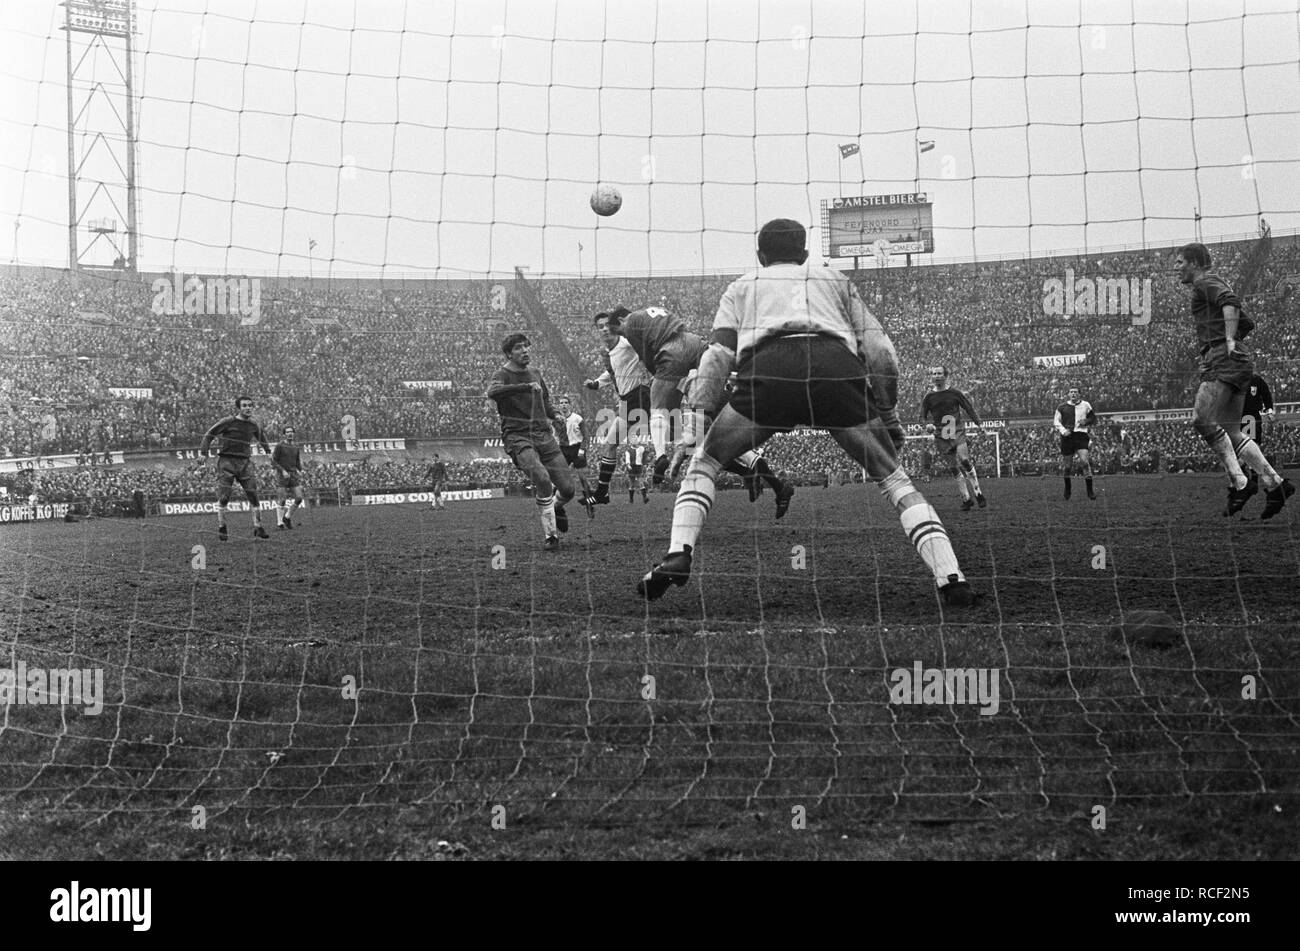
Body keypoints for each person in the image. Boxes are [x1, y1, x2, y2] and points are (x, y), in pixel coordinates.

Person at [638, 218, 978, 608]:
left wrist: (694, 424)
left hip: (770, 373)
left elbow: (718, 356)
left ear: (761, 256)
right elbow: (882, 352)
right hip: (835, 371)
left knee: (706, 462)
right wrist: (887, 413)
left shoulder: (742, 286)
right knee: (895, 479)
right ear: (804, 254)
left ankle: (679, 551)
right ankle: (952, 577)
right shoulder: (833, 280)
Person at [603, 307, 795, 515]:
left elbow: (649, 359)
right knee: (718, 440)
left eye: (618, 330)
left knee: (695, 438)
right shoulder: (656, 317)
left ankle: (661, 456)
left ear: (621, 319)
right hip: (696, 345)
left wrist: (656, 374)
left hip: (676, 359)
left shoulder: (632, 323)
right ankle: (774, 485)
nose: (622, 334)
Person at [1174, 242, 1292, 518]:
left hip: (1221, 359)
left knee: (1201, 420)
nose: (1175, 267)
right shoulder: (1208, 286)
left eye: (1180, 262)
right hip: (1236, 361)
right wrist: (1235, 341)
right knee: (1232, 429)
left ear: (1195, 262)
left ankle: (1240, 483)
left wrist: (1227, 340)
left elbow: (1230, 303)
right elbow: (1246, 322)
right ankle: (1275, 483)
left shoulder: (1205, 283)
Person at [486, 334, 590, 550]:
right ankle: (551, 536)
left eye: (526, 346)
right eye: (518, 348)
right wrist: (523, 387)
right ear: (508, 354)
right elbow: (492, 392)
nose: (524, 351)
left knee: (568, 489)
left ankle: (555, 507)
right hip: (518, 436)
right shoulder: (502, 374)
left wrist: (555, 415)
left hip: (544, 434)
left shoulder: (535, 373)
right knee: (542, 479)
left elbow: (544, 400)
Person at [585, 308, 654, 503]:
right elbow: (614, 372)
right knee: (608, 446)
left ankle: (601, 494)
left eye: (607, 325)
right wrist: (597, 383)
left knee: (609, 445)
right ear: (597, 331)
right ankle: (602, 493)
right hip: (627, 401)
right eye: (600, 327)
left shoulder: (627, 343)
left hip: (638, 396)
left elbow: (644, 346)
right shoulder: (607, 351)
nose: (605, 329)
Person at [199, 395, 272, 540]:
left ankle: (258, 527)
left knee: (253, 495)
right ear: (238, 408)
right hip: (227, 461)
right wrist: (203, 452)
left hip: (245, 462)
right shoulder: (228, 421)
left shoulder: (254, 424)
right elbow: (208, 435)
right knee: (225, 496)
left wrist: (268, 452)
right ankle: (222, 527)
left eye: (250, 405)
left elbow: (261, 437)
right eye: (244, 405)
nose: (248, 408)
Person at [920, 366, 987, 510]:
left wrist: (979, 424)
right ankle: (966, 499)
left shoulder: (955, 393)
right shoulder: (928, 397)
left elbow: (969, 408)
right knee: (953, 468)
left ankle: (978, 494)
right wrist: (926, 426)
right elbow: (922, 417)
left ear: (945, 376)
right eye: (934, 373)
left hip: (957, 431)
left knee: (965, 460)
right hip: (941, 435)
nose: (936, 376)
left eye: (939, 373)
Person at [1053, 387, 1097, 500]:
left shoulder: (1086, 405)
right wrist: (1063, 431)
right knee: (1068, 466)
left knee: (1084, 461)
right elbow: (1056, 421)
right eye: (1071, 392)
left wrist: (1086, 421)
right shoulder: (1062, 407)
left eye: (1075, 392)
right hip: (1067, 437)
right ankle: (1067, 489)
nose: (1073, 394)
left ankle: (1090, 491)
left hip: (1081, 435)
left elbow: (1093, 417)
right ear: (1068, 394)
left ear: (1079, 394)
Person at [272, 426, 306, 528]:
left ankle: (286, 517)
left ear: (294, 433)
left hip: (293, 474)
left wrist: (301, 470)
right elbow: (273, 461)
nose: (290, 434)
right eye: (287, 432)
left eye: (291, 432)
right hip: (282, 475)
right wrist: (282, 471)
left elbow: (297, 461)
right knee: (282, 500)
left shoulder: (296, 446)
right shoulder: (280, 446)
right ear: (284, 434)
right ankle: (279, 523)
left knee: (299, 498)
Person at [624, 438, 651, 503]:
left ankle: (645, 498)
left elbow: (646, 453)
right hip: (631, 467)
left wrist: (648, 444)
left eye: (636, 440)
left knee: (640, 481)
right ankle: (631, 500)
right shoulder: (628, 450)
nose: (635, 442)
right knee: (632, 483)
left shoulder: (641, 448)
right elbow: (627, 458)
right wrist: (628, 465)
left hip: (639, 467)